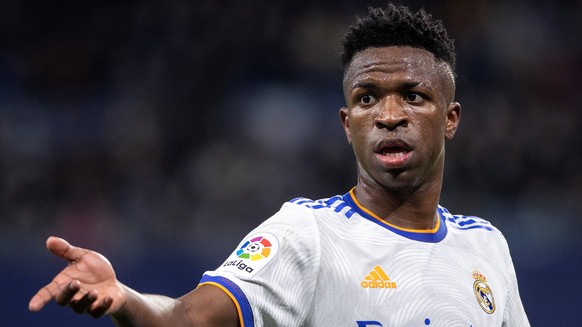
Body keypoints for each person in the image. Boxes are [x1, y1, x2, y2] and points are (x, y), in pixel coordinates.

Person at [29, 3, 530, 326]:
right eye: (367, 98)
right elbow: (186, 318)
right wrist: (128, 300)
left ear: (450, 118)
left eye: (414, 96)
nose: (389, 115)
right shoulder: (306, 234)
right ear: (346, 121)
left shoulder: (485, 246)